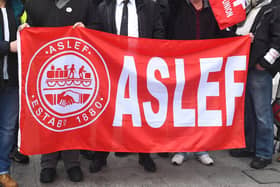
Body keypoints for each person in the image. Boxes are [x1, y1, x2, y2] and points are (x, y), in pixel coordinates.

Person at [22, 0, 101, 183]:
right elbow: (26, 24)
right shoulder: (34, 4)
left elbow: (98, 26)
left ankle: (72, 163)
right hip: (46, 75)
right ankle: (48, 164)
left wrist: (86, 28)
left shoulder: (85, 3)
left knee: (71, 117)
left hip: (74, 73)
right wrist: (25, 28)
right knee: (48, 118)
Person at [90, 0, 165, 173]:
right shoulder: (103, 8)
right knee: (107, 114)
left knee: (142, 113)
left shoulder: (150, 7)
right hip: (112, 70)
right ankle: (100, 156)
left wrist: (152, 58)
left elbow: (159, 33)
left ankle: (144, 155)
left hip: (141, 68)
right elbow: (95, 36)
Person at [167, 0, 234, 166]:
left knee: (202, 108)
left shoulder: (213, 10)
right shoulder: (177, 7)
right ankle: (181, 149)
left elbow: (223, 35)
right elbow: (169, 32)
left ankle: (201, 149)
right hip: (182, 65)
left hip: (205, 67)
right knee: (183, 107)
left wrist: (243, 40)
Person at [230, 0, 280, 169]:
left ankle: (264, 153)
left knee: (261, 111)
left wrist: (265, 63)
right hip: (247, 63)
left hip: (258, 66)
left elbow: (278, 40)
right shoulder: (255, 7)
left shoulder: (275, 8)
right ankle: (250, 146)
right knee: (248, 109)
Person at [0, 0, 24, 186]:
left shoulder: (16, 7)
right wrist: (8, 47)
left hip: (12, 79)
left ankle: (3, 171)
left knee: (8, 129)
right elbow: (11, 45)